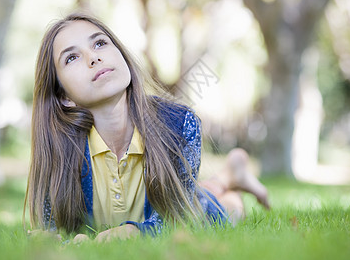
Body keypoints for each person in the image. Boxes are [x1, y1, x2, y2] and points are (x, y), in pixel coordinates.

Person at [24, 13, 269, 242]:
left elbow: (176, 218)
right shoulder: (58, 146)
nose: (93, 58)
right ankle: (230, 175)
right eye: (72, 57)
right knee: (196, 190)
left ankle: (231, 182)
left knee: (222, 209)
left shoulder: (180, 124)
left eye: (99, 43)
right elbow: (53, 229)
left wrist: (134, 231)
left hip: (191, 203)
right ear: (64, 96)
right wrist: (50, 239)